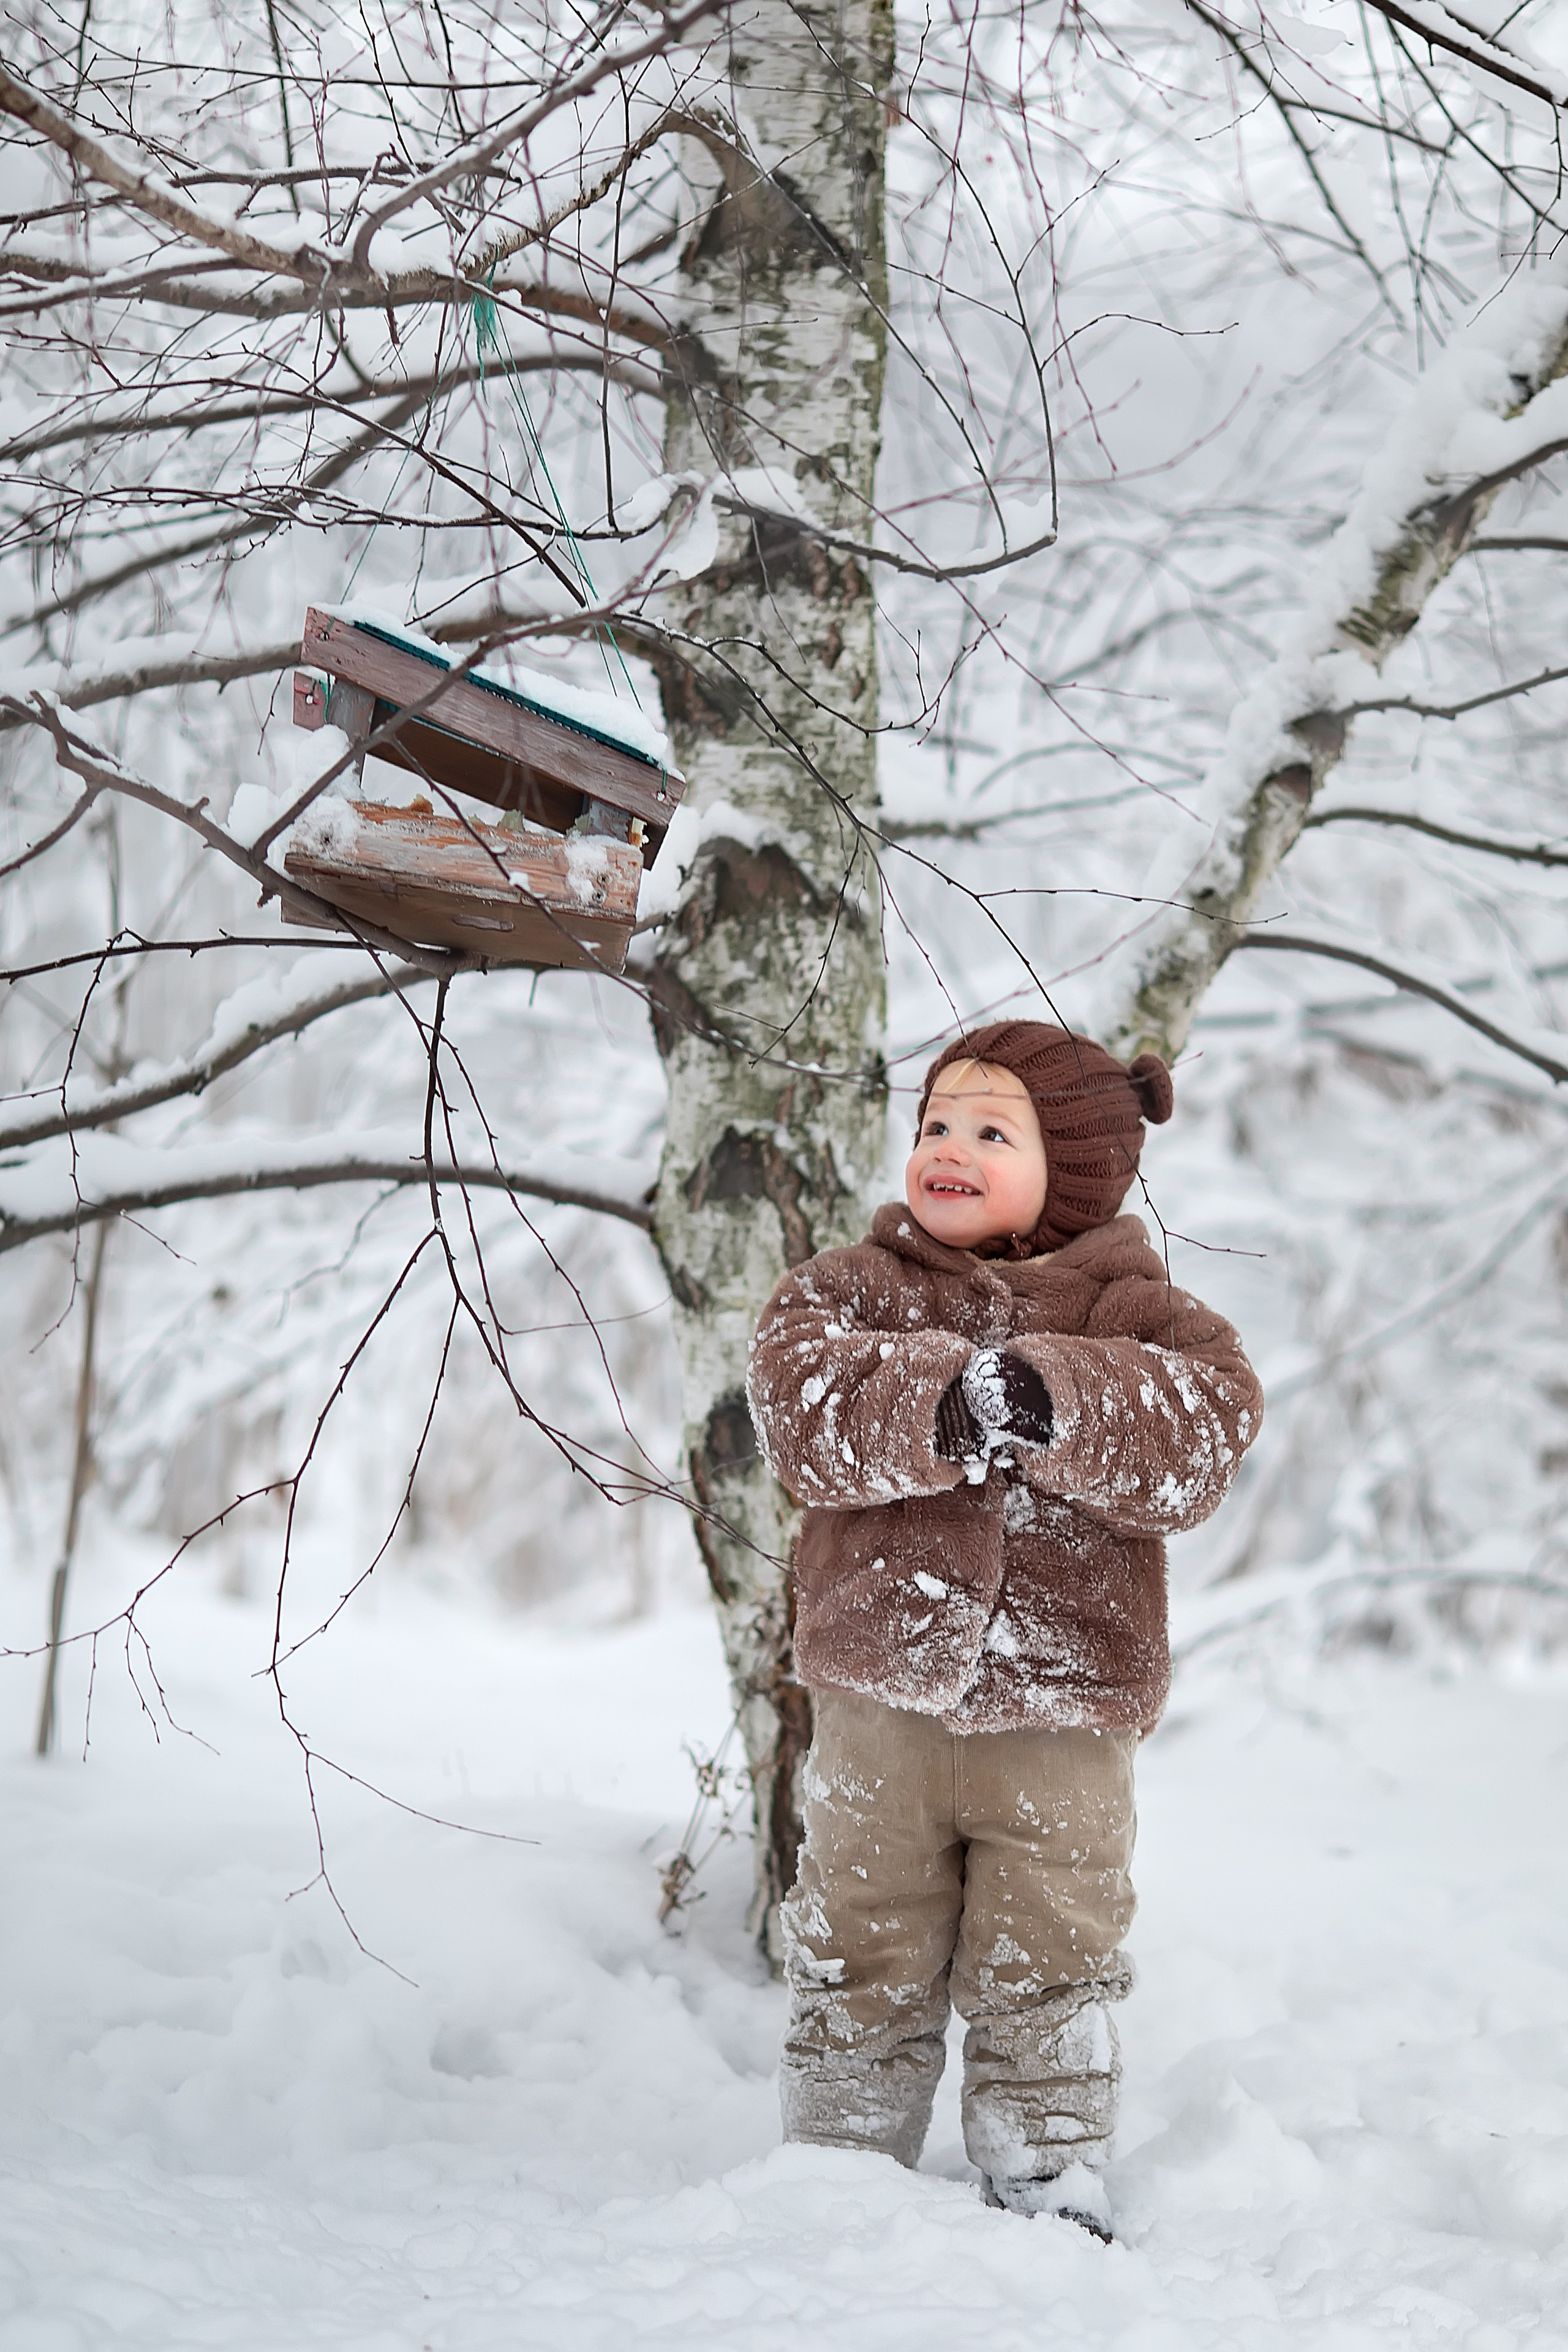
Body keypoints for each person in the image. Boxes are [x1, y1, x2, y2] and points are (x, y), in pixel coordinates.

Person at [745, 1020, 1263, 2237]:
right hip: (880, 1707)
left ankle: (1044, 2179)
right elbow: (797, 1411)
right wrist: (937, 1400)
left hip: (1063, 1713)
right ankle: (834, 2170)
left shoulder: (1136, 1309)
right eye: (934, 1124)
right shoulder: (849, 1290)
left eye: (990, 1131)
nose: (947, 1150)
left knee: (1050, 1949)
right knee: (857, 1937)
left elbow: (1202, 1432)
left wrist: (1059, 1396)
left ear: (1075, 1171)